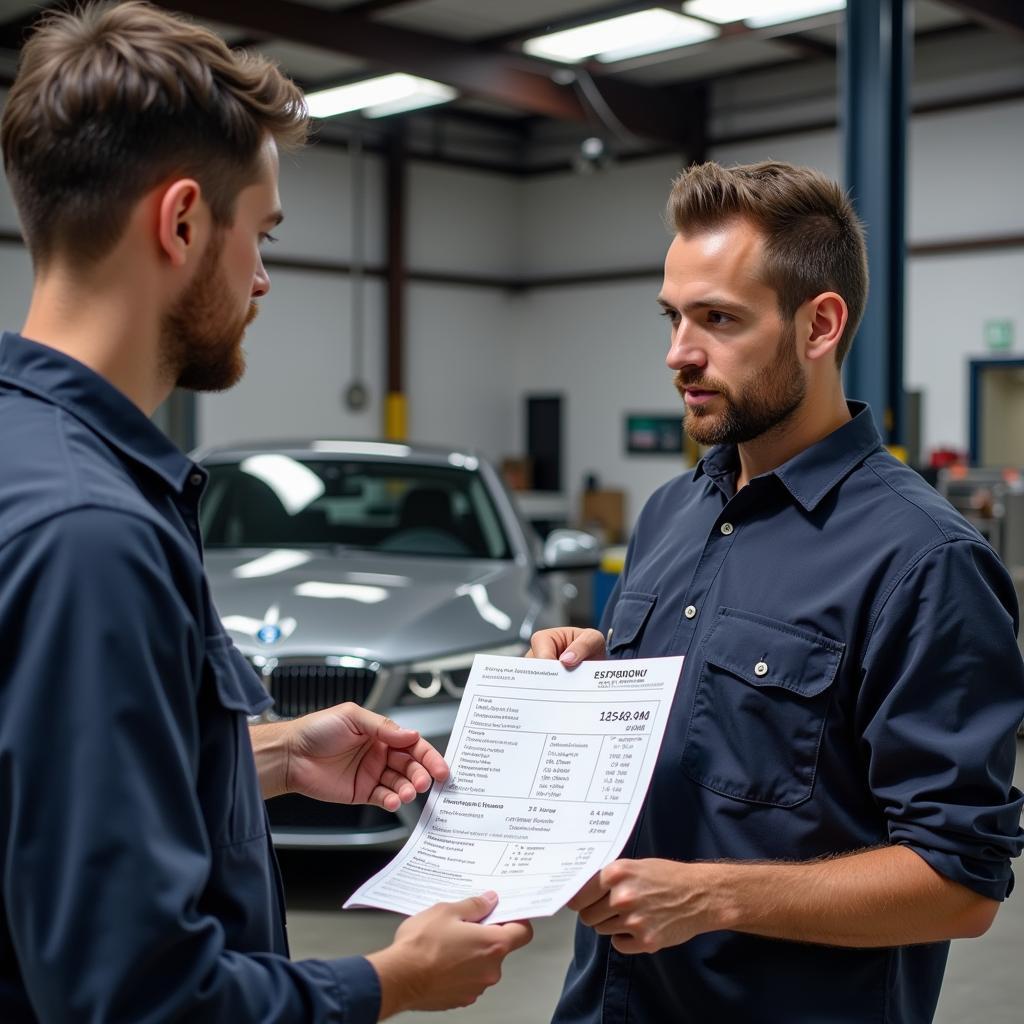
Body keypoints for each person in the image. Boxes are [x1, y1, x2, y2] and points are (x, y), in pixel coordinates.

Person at [0, 3, 530, 1021]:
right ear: (184, 221)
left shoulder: (36, 467)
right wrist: (390, 978)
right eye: (263, 234)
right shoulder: (91, 534)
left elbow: (50, 792)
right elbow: (139, 999)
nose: (264, 278)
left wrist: (276, 756)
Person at [532, 160, 1024, 1022]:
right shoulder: (670, 514)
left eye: (718, 319)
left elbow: (959, 883)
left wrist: (717, 898)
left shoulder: (924, 560)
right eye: (674, 317)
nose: (680, 352)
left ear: (819, 325)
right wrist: (595, 670)